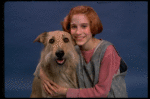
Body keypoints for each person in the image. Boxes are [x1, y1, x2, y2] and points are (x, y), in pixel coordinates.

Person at [34, 5, 128, 98]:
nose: (78, 32)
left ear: (92, 26)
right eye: (74, 27)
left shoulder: (107, 51)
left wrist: (65, 92)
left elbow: (102, 93)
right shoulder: (74, 50)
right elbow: (46, 60)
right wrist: (42, 75)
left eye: (84, 26)